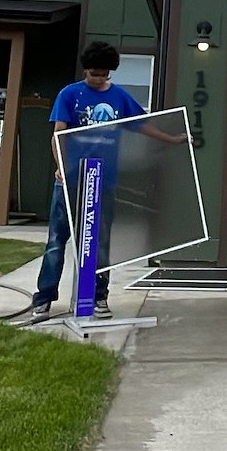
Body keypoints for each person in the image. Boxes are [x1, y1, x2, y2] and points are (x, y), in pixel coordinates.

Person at [28, 41, 187, 322]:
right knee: (56, 241)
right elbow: (58, 134)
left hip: (104, 181)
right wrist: (60, 167)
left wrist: (173, 139)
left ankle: (98, 297)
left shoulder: (120, 98)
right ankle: (43, 299)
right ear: (85, 70)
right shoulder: (69, 95)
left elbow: (142, 124)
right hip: (70, 180)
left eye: (104, 74)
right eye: (94, 74)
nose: (99, 79)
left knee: (100, 243)